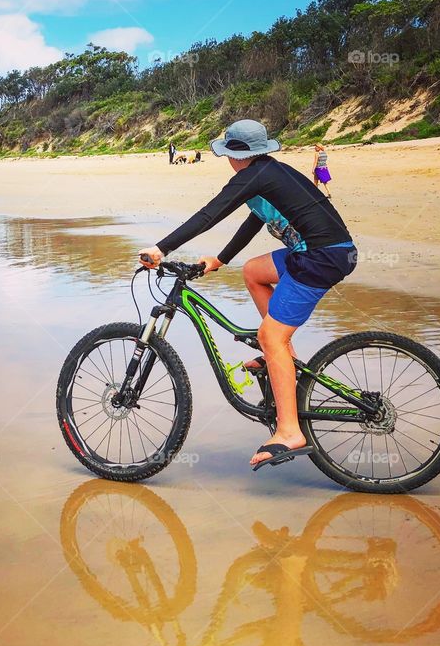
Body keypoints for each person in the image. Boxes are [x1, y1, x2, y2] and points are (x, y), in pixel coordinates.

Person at [138, 120, 357, 470]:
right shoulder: (269, 173)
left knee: (270, 336)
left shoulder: (254, 176)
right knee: (254, 271)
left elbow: (210, 214)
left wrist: (161, 248)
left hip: (322, 257)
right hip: (319, 252)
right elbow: (254, 220)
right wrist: (221, 259)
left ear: (235, 155)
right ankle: (283, 358)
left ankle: (289, 431)